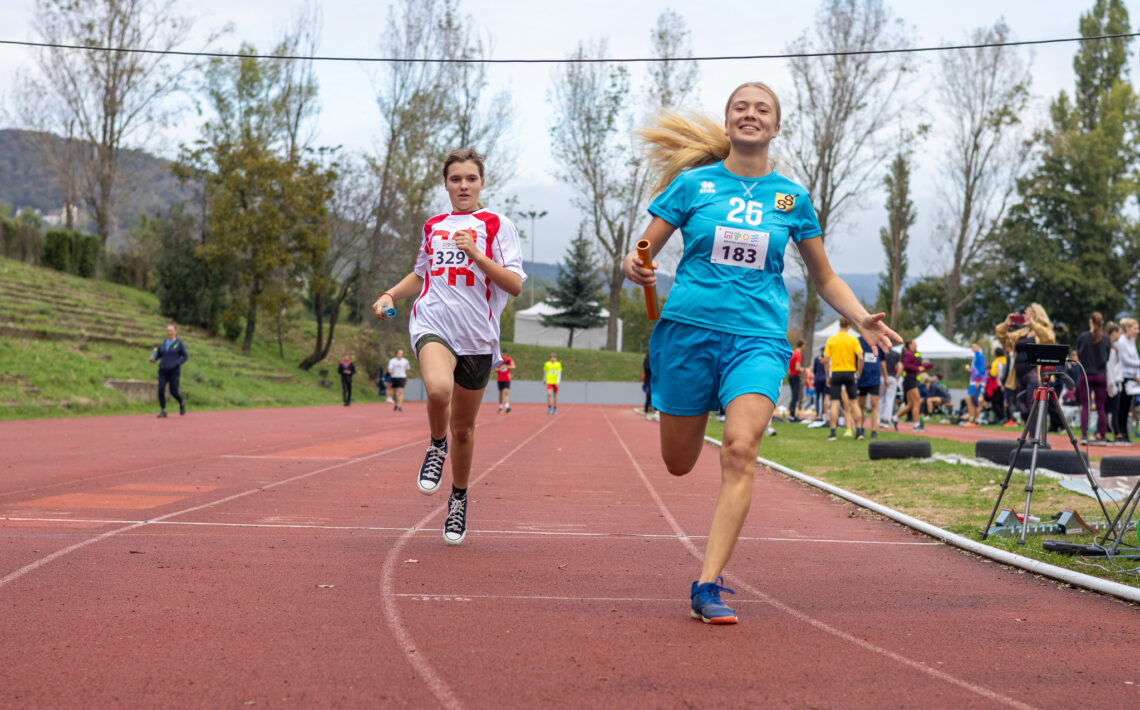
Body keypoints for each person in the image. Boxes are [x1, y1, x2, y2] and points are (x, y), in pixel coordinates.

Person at [623, 82, 899, 624]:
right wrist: (635, 267)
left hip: (758, 339)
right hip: (686, 332)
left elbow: (824, 276)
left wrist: (861, 315)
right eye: (740, 108)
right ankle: (707, 567)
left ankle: (708, 584)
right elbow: (642, 254)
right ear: (728, 123)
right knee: (677, 464)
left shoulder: (791, 199)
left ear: (776, 127)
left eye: (762, 110)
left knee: (740, 448)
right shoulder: (692, 185)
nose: (750, 115)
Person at [372, 148, 525, 546]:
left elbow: (514, 284)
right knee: (438, 390)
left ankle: (458, 498)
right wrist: (390, 295)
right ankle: (435, 444)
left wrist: (476, 253)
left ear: (482, 182)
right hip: (433, 321)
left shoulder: (497, 224)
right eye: (455, 179)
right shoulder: (434, 225)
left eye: (470, 179)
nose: (463, 186)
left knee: (465, 428)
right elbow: (420, 275)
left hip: (477, 335)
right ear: (445, 184)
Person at [996, 304, 1058, 433]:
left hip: (1034, 373)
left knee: (1033, 406)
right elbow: (1003, 338)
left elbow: (1050, 338)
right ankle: (1029, 435)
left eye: (1027, 313)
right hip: (1019, 374)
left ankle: (1034, 437)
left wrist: (1033, 324)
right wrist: (1006, 324)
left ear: (1035, 314)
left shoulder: (1043, 331)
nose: (1024, 315)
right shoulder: (1021, 333)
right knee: (1022, 407)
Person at [1076, 312, 1112, 443]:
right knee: (1101, 407)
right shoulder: (1106, 338)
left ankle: (1084, 435)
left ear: (1090, 321)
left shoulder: (1083, 337)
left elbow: (1079, 355)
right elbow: (1107, 357)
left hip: (1086, 374)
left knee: (1085, 406)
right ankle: (1101, 435)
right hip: (1101, 374)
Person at [825, 318, 863, 440]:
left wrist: (827, 376)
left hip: (836, 372)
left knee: (835, 403)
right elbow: (861, 358)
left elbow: (826, 360)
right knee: (854, 403)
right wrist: (859, 371)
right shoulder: (853, 340)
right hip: (849, 372)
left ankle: (832, 433)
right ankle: (859, 432)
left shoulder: (832, 340)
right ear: (850, 325)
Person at [149, 323, 188, 418]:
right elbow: (159, 354)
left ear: (175, 331)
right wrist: (154, 358)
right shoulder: (164, 342)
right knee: (161, 389)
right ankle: (163, 410)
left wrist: (177, 363)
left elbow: (185, 356)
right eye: (168, 330)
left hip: (174, 371)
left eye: (171, 330)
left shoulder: (179, 343)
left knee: (173, 391)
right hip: (163, 370)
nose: (169, 332)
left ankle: (181, 402)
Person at [894, 339, 933, 432]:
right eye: (915, 344)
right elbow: (907, 366)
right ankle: (916, 425)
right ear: (910, 344)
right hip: (910, 380)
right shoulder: (908, 354)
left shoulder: (913, 354)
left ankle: (895, 418)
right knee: (917, 402)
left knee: (911, 404)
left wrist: (928, 366)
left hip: (911, 380)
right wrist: (917, 368)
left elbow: (919, 366)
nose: (916, 345)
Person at [856, 334, 886, 439]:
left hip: (875, 378)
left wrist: (886, 377)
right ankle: (860, 429)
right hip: (862, 378)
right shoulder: (858, 341)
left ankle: (874, 430)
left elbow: (882, 361)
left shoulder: (878, 341)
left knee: (874, 403)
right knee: (861, 404)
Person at [1115, 318, 1139, 444]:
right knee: (1122, 407)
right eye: (1135, 328)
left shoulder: (1131, 341)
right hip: (1123, 377)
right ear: (1127, 328)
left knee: (1127, 408)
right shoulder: (1121, 341)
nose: (1137, 331)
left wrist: (1137, 374)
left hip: (1132, 379)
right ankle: (1120, 432)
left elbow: (1135, 358)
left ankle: (1125, 433)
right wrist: (1138, 364)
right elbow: (1126, 360)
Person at [1105, 323, 1124, 443]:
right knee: (1111, 409)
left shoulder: (1114, 348)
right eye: (1118, 332)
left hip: (1115, 382)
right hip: (1111, 383)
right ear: (1113, 333)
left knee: (1111, 409)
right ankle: (1116, 432)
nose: (1119, 334)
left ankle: (1116, 432)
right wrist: (1112, 384)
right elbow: (1110, 367)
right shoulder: (1110, 350)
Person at [962, 342, 986, 426]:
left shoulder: (980, 356)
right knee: (973, 401)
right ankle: (974, 420)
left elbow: (982, 369)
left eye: (975, 346)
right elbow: (976, 370)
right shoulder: (976, 356)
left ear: (979, 346)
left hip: (976, 382)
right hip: (974, 381)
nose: (973, 348)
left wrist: (978, 380)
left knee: (969, 399)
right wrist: (970, 370)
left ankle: (973, 419)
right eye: (972, 346)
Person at [878, 344, 901, 427]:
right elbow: (901, 367)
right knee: (889, 399)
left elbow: (881, 365)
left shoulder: (881, 353)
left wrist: (885, 377)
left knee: (881, 399)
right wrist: (897, 378)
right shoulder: (896, 354)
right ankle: (886, 420)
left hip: (881, 377)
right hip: (891, 377)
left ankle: (881, 419)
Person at [786, 340, 805, 421]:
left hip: (791, 376)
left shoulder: (792, 353)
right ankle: (792, 415)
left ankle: (791, 414)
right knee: (795, 397)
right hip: (795, 376)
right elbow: (797, 368)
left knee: (794, 396)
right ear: (802, 345)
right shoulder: (798, 355)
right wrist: (804, 370)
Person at [811, 346, 828, 423]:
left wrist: (816, 376)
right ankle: (823, 413)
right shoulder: (827, 358)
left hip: (818, 379)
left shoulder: (816, 359)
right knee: (824, 397)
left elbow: (814, 370)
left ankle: (818, 413)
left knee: (817, 397)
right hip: (825, 379)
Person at [497, 348, 515, 413]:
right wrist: (500, 368)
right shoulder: (498, 360)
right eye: (502, 354)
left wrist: (506, 366)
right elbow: (494, 369)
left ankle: (507, 406)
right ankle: (500, 407)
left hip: (507, 379)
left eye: (505, 354)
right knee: (501, 393)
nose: (504, 355)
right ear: (501, 354)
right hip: (500, 379)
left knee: (506, 391)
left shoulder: (509, 360)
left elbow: (513, 366)